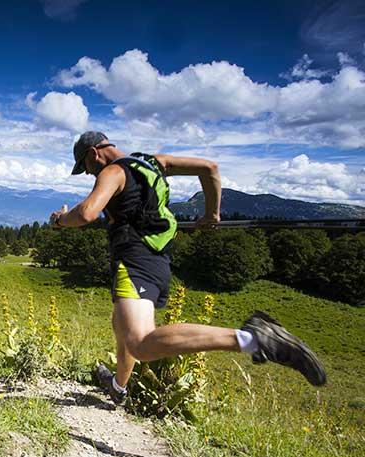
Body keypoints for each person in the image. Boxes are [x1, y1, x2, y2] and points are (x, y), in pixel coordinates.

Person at [50, 131, 326, 405]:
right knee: (121, 325)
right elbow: (209, 168)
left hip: (133, 259)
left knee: (139, 343)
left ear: (93, 153)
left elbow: (86, 213)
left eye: (85, 167)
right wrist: (212, 214)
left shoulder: (112, 172)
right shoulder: (153, 163)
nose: (89, 173)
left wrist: (60, 220)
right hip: (158, 260)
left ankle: (252, 339)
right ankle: (118, 387)